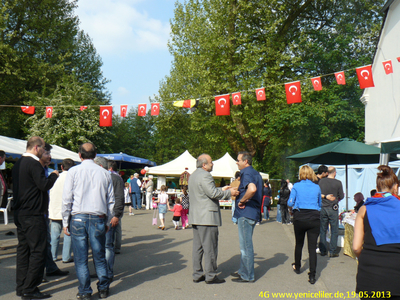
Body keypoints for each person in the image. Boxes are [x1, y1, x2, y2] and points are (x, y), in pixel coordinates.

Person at [62, 143, 114, 299]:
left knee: (81, 257)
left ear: (79, 155)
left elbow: (67, 199)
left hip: (78, 217)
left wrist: (65, 221)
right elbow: (110, 201)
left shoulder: (74, 172)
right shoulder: (105, 174)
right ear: (95, 155)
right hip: (98, 217)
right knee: (99, 255)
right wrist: (108, 221)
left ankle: (85, 291)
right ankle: (103, 288)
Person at [13, 136, 59, 299]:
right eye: (44, 148)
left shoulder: (18, 163)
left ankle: (21, 286)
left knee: (23, 251)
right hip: (33, 213)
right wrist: (54, 175)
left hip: (20, 212)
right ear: (36, 147)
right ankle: (30, 288)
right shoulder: (34, 164)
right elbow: (44, 185)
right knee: (38, 251)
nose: (45, 151)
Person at [189, 153, 238, 284]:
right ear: (204, 165)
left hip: (196, 216)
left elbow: (205, 191)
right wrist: (229, 193)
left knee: (197, 248)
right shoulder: (206, 175)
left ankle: (197, 273)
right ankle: (210, 275)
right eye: (211, 162)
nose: (212, 164)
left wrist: (222, 188)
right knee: (210, 247)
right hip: (207, 217)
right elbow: (213, 193)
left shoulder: (193, 175)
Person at [353, 165, 400, 298]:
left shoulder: (364, 209)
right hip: (396, 277)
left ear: (377, 188)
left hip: (369, 276)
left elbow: (356, 247)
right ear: (395, 187)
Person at [231, 151, 263, 283]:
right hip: (252, 212)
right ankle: (243, 271)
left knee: (245, 246)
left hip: (246, 213)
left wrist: (242, 200)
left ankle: (247, 275)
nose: (236, 162)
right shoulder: (255, 173)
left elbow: (252, 189)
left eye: (238, 160)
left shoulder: (247, 173)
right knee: (245, 245)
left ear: (246, 161)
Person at [287, 165, 321, 285]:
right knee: (312, 248)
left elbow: (290, 202)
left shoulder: (296, 186)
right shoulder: (317, 187)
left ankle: (297, 266)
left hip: (300, 217)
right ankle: (312, 275)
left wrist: (294, 204)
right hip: (314, 217)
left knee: (299, 243)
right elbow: (319, 204)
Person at [40, 144, 69, 279]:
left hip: (50, 210)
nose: (49, 156)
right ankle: (65, 257)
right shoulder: (44, 171)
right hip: (46, 211)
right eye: (47, 153)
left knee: (51, 237)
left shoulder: (49, 171)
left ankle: (51, 262)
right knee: (65, 235)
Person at [94, 158, 125, 284]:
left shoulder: (114, 178)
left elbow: (119, 197)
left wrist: (116, 215)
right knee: (99, 246)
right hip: (97, 216)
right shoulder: (98, 176)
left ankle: (107, 272)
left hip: (107, 216)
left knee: (106, 245)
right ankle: (102, 271)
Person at [49, 158, 75, 263]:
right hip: (68, 210)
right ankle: (66, 256)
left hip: (55, 210)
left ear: (61, 167)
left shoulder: (55, 178)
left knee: (54, 235)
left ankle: (52, 256)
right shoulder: (72, 178)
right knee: (68, 234)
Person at [318, 166, 344, 257]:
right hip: (333, 207)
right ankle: (332, 251)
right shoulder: (338, 183)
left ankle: (323, 250)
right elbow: (341, 196)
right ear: (335, 173)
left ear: (327, 172)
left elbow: (318, 194)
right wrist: (337, 198)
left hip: (323, 207)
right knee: (334, 230)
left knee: (323, 229)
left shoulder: (321, 182)